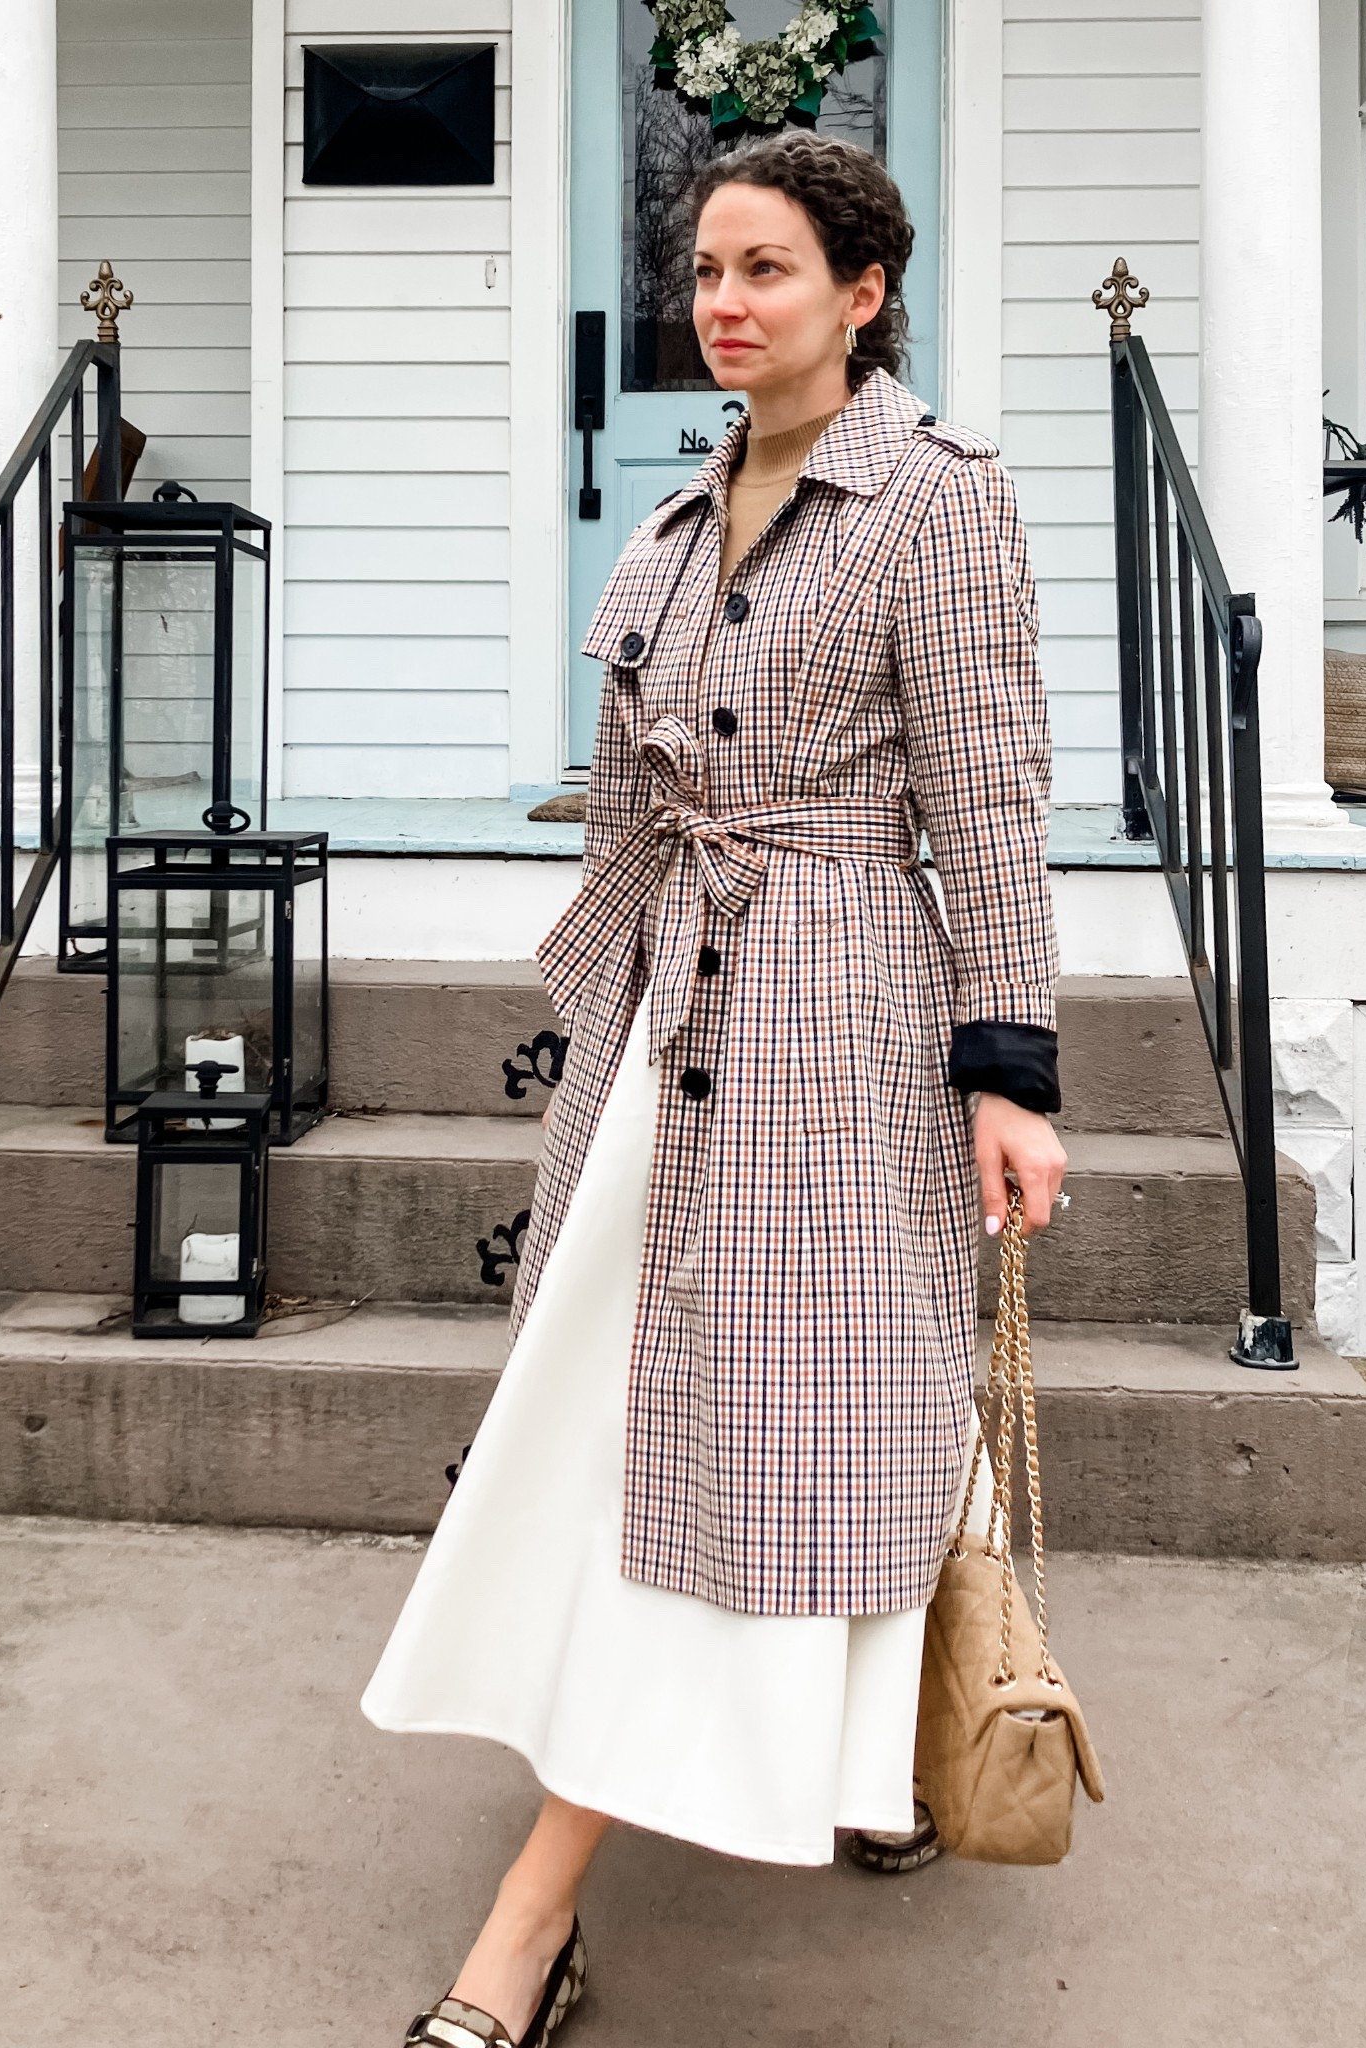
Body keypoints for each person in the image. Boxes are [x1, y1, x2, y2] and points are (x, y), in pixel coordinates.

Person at [363, 127, 1068, 2048]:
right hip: (664, 1017)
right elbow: (632, 797)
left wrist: (1008, 1069)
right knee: (663, 1416)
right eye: (704, 274)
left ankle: (532, 1919)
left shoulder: (935, 503)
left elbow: (989, 795)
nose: (724, 305)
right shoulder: (673, 524)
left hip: (840, 1018)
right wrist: (602, 1003)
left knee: (790, 1413)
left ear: (862, 295)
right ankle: (867, 1746)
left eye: (765, 270)